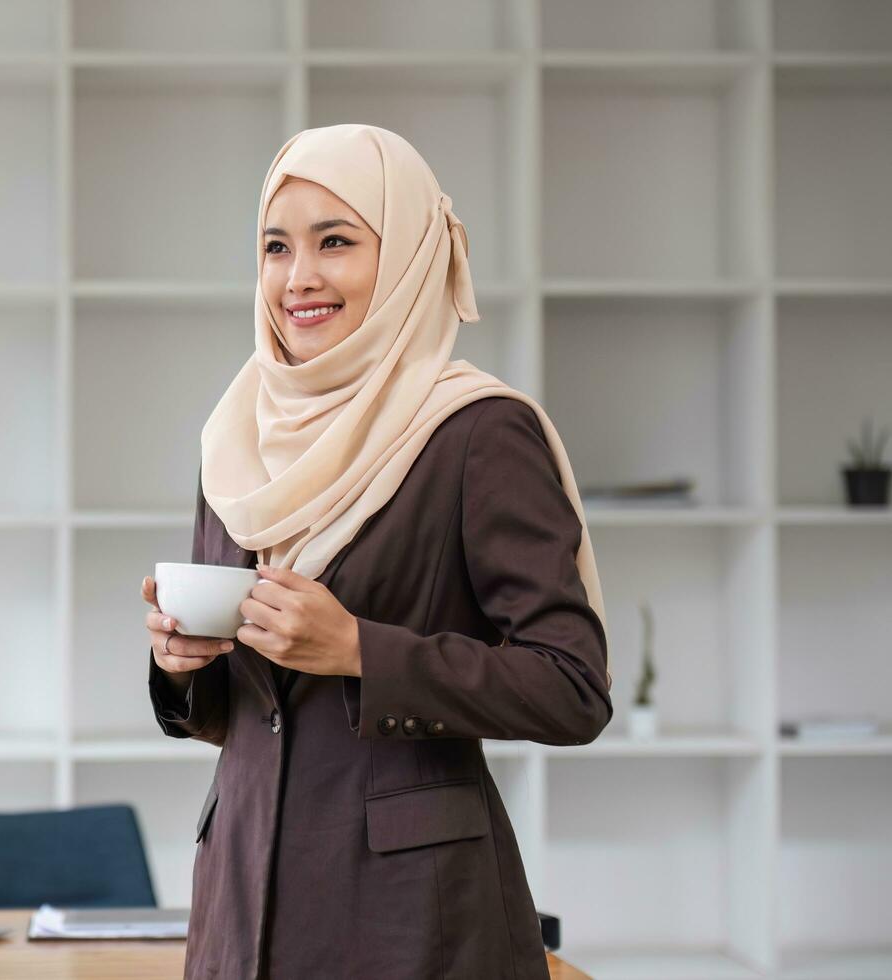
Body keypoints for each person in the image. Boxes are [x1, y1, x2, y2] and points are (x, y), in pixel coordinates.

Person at [138, 124, 612, 980]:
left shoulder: (476, 432)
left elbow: (572, 688)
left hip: (415, 925)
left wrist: (361, 649)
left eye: (337, 242)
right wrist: (180, 664)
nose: (299, 277)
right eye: (276, 247)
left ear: (407, 259)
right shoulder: (235, 440)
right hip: (239, 912)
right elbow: (246, 716)